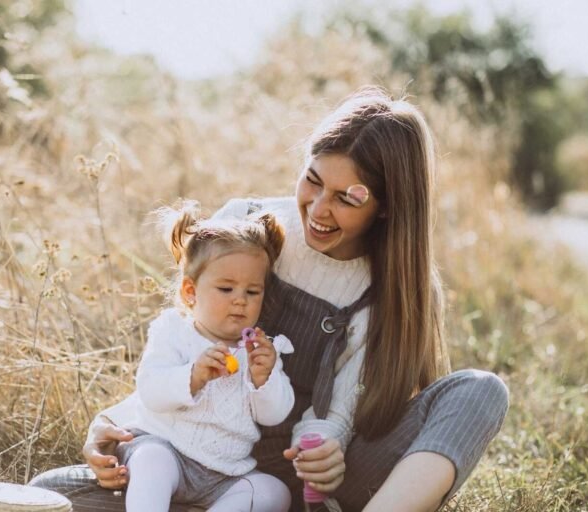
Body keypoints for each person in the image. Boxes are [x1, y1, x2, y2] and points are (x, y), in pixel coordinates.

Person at [31, 87, 509, 512]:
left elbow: (338, 416)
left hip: (305, 481)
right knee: (48, 491)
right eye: (313, 180)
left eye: (347, 198)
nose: (319, 210)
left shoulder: (393, 288)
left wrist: (328, 452)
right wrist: (110, 423)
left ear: (385, 207)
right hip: (195, 456)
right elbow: (182, 342)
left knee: (481, 391)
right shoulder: (248, 224)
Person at [78, 204, 295, 511]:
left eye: (253, 292)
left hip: (224, 473)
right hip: (166, 449)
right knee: (152, 461)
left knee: (272, 492)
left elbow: (274, 415)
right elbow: (150, 391)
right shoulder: (174, 331)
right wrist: (192, 377)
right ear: (190, 292)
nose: (239, 300)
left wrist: (264, 380)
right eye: (225, 288)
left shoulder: (260, 351)